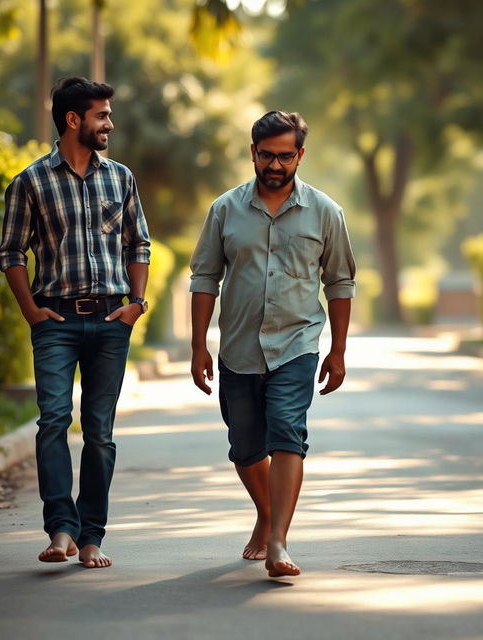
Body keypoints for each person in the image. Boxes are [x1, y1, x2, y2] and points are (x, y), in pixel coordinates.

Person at [189, 110, 356, 577]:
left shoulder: (325, 212)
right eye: (267, 156)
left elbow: (340, 282)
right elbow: (205, 278)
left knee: (287, 433)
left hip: (297, 344)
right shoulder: (225, 209)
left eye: (286, 156)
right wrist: (199, 345)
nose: (276, 166)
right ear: (253, 153)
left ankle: (279, 540)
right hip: (238, 348)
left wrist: (337, 351)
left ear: (300, 155)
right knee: (245, 447)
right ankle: (265, 512)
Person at [0, 76, 151, 568]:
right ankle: (60, 529)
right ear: (73, 120)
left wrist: (137, 302)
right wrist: (30, 311)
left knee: (100, 431)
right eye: (101, 115)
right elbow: (10, 251)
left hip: (111, 319)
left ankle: (92, 537)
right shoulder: (30, 181)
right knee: (53, 422)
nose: (109, 123)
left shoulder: (120, 178)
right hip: (56, 321)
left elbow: (138, 243)